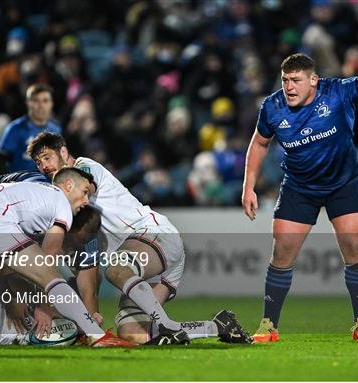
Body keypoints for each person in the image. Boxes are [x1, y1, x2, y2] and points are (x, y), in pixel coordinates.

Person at [241, 25, 358, 342]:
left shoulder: (337, 92)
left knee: (354, 249)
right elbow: (259, 143)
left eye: (296, 81)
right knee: (282, 253)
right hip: (299, 187)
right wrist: (248, 186)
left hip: (343, 184)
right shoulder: (272, 107)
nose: (289, 87)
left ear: (313, 81)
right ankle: (269, 326)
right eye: (285, 81)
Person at [27, 132, 252, 345]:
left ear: (64, 153)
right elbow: (89, 278)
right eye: (38, 162)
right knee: (132, 332)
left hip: (153, 235)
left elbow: (85, 186)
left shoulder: (83, 169)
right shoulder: (77, 218)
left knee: (116, 269)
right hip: (148, 259)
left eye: (47, 157)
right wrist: (90, 328)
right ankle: (217, 326)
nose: (44, 166)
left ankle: (166, 324)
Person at [0, 168, 135, 347]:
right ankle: (97, 336)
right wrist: (43, 306)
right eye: (85, 192)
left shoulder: (35, 192)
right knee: (51, 276)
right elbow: (47, 260)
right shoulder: (61, 203)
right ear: (69, 185)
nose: (86, 201)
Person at [0, 83, 61, 174]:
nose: (41, 105)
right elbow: (0, 162)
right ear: (28, 103)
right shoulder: (15, 128)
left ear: (51, 104)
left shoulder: (56, 130)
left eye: (45, 101)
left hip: (47, 183)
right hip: (21, 183)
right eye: (36, 101)